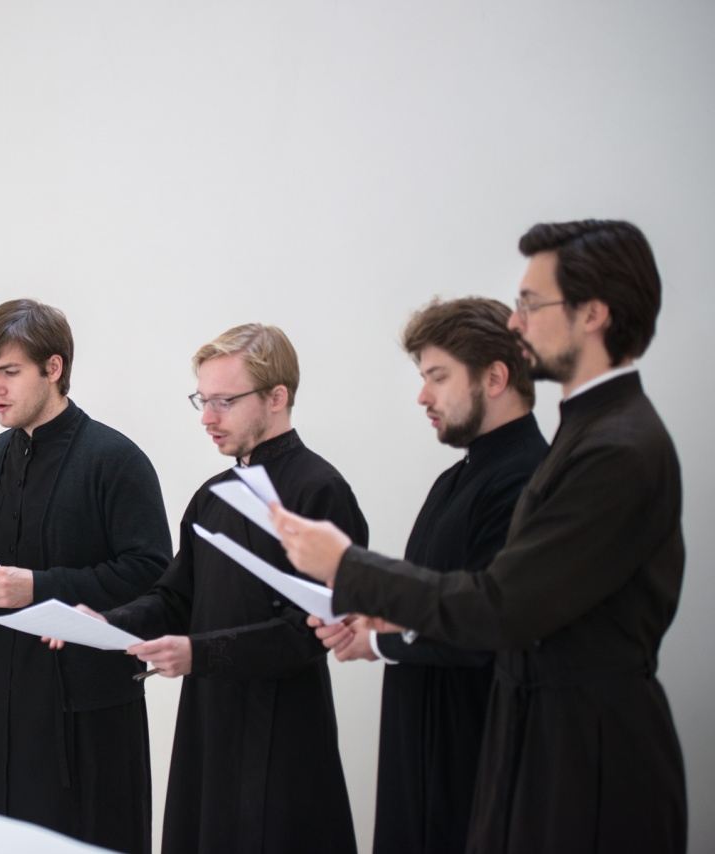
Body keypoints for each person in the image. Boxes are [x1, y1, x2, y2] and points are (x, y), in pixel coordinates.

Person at [274, 220, 686, 853]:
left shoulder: (616, 447)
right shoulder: (588, 433)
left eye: (531, 304)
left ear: (593, 314)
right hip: (546, 744)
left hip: (588, 759)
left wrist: (347, 565)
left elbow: (504, 605)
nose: (517, 324)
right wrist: (387, 621)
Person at [68, 323, 366, 854]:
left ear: (277, 397)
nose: (207, 418)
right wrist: (108, 624)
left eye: (224, 401)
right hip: (210, 724)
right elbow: (176, 598)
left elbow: (312, 631)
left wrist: (198, 653)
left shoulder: (320, 491)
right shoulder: (214, 497)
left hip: (286, 730)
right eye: (202, 401)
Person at [312, 298, 547, 853]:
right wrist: (379, 618)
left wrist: (381, 642)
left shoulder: (527, 482)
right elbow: (437, 597)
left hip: (473, 749)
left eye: (437, 377)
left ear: (495, 376)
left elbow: (490, 625)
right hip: (421, 742)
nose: (422, 396)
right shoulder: (454, 481)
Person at [0, 299, 172, 854]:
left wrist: (41, 588)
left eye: (10, 372)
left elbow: (154, 575)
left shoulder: (115, 459)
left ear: (54, 367)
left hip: (83, 707)